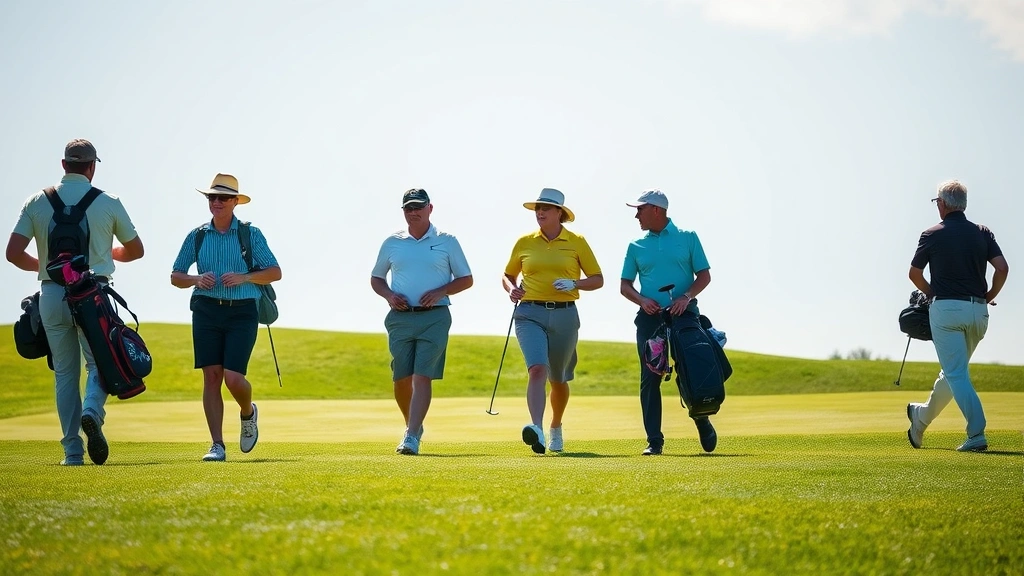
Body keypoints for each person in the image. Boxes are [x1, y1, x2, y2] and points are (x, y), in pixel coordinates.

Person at [6, 139, 145, 466]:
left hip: (50, 295)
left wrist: (43, 265)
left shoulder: (37, 201)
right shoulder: (107, 202)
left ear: (63, 164)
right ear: (92, 166)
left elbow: (12, 253)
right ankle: (92, 413)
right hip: (92, 294)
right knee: (98, 363)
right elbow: (136, 250)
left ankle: (72, 453)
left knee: (65, 375)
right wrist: (110, 253)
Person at [170, 173, 281, 462]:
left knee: (233, 378)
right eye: (212, 197)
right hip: (206, 309)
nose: (216, 202)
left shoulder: (250, 234)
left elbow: (274, 272)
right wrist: (196, 280)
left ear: (234, 202)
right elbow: (176, 276)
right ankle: (217, 444)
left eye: (223, 198)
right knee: (212, 377)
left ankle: (247, 412)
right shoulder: (197, 235)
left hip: (243, 310)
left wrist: (245, 277)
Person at [906, 180, 1008, 452]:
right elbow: (1002, 269)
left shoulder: (931, 233)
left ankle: (977, 433)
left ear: (943, 204)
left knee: (956, 374)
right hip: (978, 312)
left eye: (936, 202)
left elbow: (914, 274)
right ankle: (920, 419)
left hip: (947, 311)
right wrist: (989, 295)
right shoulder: (983, 232)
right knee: (954, 373)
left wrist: (931, 293)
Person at [371, 188, 473, 456]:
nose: (413, 212)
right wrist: (390, 295)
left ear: (430, 208)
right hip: (400, 318)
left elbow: (466, 279)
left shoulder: (447, 241)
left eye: (418, 207)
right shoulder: (392, 242)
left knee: (421, 376)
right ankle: (412, 426)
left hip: (435, 317)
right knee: (401, 378)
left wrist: (441, 292)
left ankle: (411, 434)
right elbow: (377, 279)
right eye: (408, 208)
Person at [502, 188, 603, 454]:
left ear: (560, 213)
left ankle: (555, 425)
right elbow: (507, 275)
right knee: (537, 369)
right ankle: (537, 428)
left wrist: (574, 282)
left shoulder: (576, 241)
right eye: (537, 208)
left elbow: (597, 279)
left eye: (546, 208)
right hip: (529, 313)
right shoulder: (524, 242)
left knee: (558, 379)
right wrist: (511, 288)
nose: (540, 212)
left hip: (565, 314)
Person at [619, 189, 717, 455]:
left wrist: (685, 297)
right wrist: (642, 301)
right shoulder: (635, 246)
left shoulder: (688, 238)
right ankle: (654, 441)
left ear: (656, 210)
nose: (636, 215)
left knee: (691, 370)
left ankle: (702, 419)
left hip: (684, 315)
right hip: (650, 319)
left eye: (640, 209)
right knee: (650, 377)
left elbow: (704, 276)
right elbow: (625, 286)